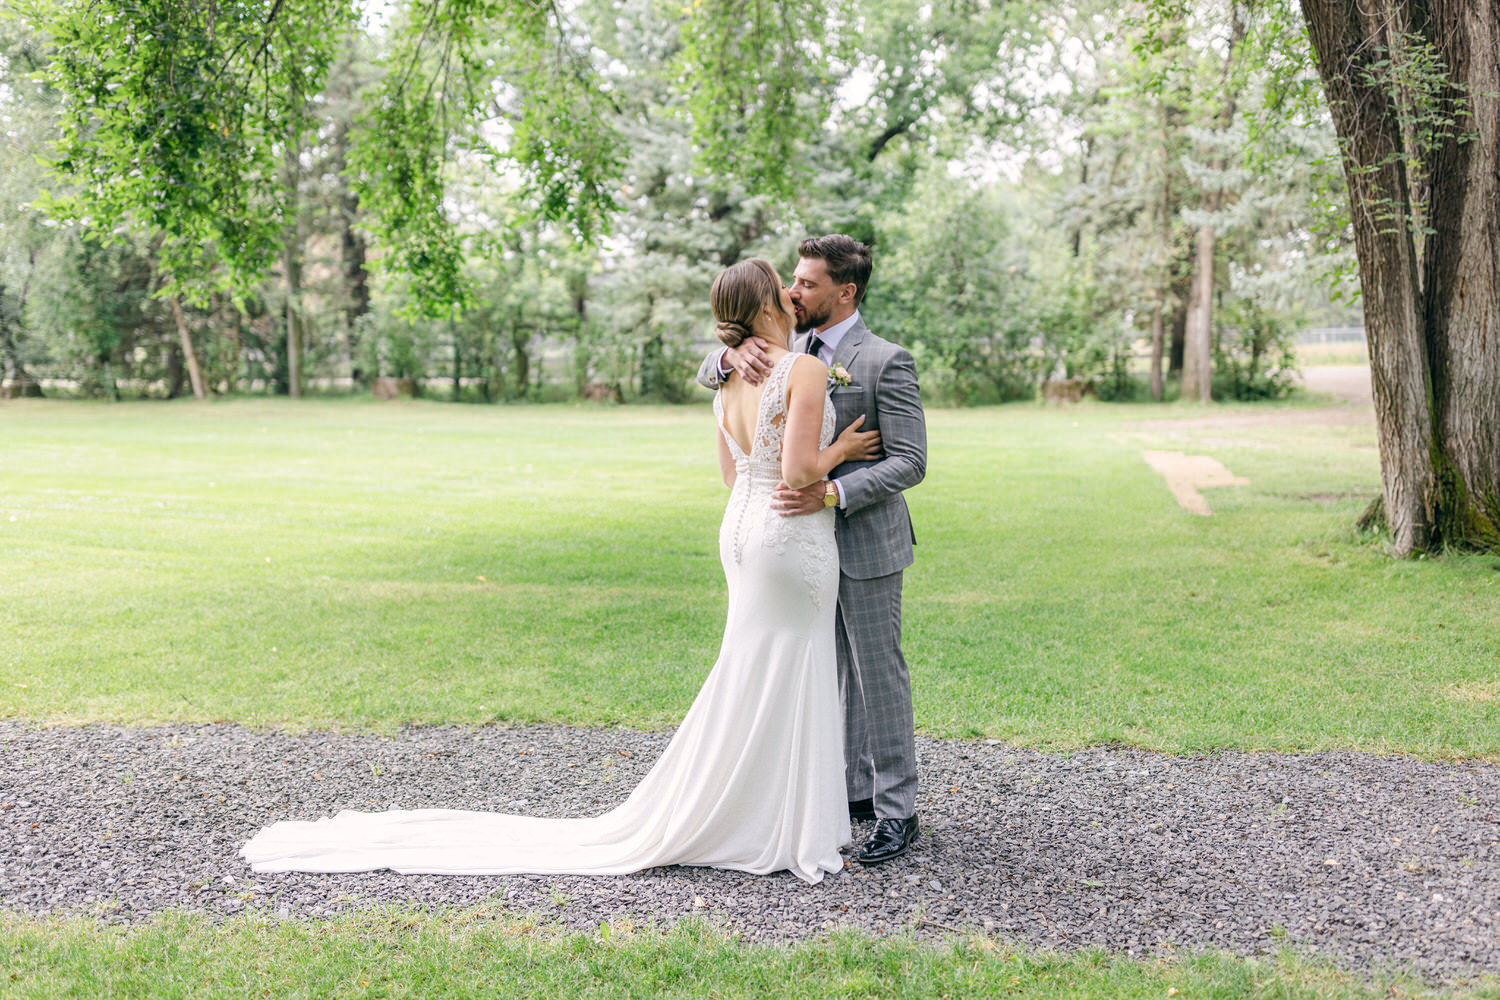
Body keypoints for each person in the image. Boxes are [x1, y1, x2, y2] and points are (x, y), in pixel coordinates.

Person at [241, 259, 882, 884]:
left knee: (750, 666)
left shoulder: (726, 379)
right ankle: (775, 819)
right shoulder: (799, 368)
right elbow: (800, 474)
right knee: (790, 663)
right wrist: (845, 449)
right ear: (768, 303)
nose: (793, 295)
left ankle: (742, 807)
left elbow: (728, 473)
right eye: (784, 286)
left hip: (741, 529)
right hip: (789, 533)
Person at [696, 235, 927, 866]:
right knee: (819, 670)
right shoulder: (776, 351)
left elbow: (910, 461)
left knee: (877, 674)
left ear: (844, 292)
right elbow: (710, 375)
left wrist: (831, 491)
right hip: (793, 546)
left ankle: (896, 812)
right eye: (790, 282)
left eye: (807, 283)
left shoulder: (885, 360)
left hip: (862, 538)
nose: (794, 292)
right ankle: (844, 794)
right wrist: (729, 353)